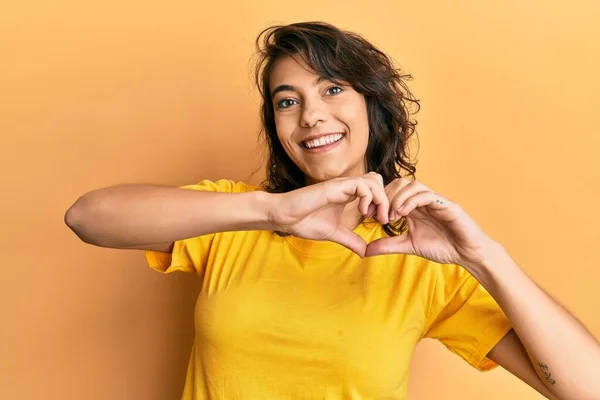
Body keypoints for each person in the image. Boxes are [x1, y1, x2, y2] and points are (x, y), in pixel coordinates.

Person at [64, 21, 600, 400]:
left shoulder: (426, 261)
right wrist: (271, 212)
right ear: (277, 126)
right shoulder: (237, 218)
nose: (311, 116)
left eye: (333, 89)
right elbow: (87, 218)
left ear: (372, 105)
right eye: (288, 100)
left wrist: (485, 258)